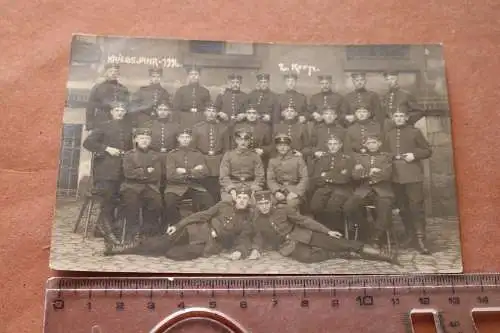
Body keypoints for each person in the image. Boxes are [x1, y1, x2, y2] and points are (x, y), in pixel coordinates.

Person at [104, 187, 254, 261]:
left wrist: (239, 252)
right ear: (235, 198)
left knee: (172, 254)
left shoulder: (248, 219)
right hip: (195, 230)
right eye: (239, 197)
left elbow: (244, 240)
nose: (241, 200)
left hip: (208, 244)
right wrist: (178, 225)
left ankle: (148, 246)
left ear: (249, 201)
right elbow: (201, 215)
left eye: (244, 198)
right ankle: (122, 248)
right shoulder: (223, 205)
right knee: (162, 243)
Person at [248, 190, 397, 264]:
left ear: (271, 202)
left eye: (266, 203)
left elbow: (305, 221)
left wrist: (328, 231)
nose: (264, 206)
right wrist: (255, 250)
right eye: (261, 204)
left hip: (304, 234)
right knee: (306, 258)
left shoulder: (283, 209)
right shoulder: (257, 219)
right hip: (288, 246)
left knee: (341, 243)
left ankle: (383, 255)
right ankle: (338, 255)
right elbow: (258, 236)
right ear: (257, 206)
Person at [82, 101, 134, 241]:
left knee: (126, 196)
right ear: (111, 112)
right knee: (108, 196)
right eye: (117, 109)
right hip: (104, 171)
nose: (120, 112)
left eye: (122, 110)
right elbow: (87, 143)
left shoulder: (128, 129)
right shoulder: (103, 126)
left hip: (122, 171)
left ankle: (105, 226)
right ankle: (107, 228)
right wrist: (107, 149)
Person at [384, 109, 432, 254]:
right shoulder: (389, 134)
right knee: (403, 207)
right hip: (396, 176)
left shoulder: (415, 132)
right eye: (396, 116)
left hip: (413, 175)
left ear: (406, 118)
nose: (398, 118)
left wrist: (414, 154)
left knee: (416, 207)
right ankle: (410, 236)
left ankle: (420, 240)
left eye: (401, 116)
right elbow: (385, 153)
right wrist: (393, 156)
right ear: (393, 118)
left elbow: (428, 150)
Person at [344, 135, 394, 246]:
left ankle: (376, 236)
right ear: (365, 145)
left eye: (374, 142)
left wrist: (365, 172)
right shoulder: (360, 158)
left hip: (382, 190)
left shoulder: (386, 157)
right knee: (349, 206)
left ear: (379, 144)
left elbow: (387, 174)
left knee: (384, 208)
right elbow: (355, 175)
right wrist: (371, 172)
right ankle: (366, 230)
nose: (371, 145)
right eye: (369, 143)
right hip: (364, 190)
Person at [163, 129, 214, 228]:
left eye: (187, 137)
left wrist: (185, 171)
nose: (185, 139)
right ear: (178, 139)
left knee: (209, 201)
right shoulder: (172, 154)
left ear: (190, 139)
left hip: (194, 186)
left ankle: (205, 228)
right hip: (175, 187)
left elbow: (204, 173)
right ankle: (177, 228)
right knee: (170, 203)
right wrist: (194, 171)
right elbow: (171, 175)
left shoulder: (197, 154)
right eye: (182, 137)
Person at [120, 128, 163, 240]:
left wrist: (139, 171)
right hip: (131, 186)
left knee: (156, 202)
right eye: (142, 138)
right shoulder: (129, 155)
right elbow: (128, 173)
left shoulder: (155, 155)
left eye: (147, 138)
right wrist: (146, 171)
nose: (144, 141)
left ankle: (148, 233)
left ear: (150, 141)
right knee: (132, 203)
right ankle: (132, 234)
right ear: (136, 140)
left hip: (150, 186)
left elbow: (157, 174)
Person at [309, 135, 354, 232]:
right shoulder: (321, 159)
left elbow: (345, 178)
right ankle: (322, 231)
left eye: (335, 144)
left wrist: (326, 175)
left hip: (342, 189)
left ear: (340, 145)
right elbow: (316, 178)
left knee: (332, 207)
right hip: (325, 187)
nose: (332, 146)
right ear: (327, 145)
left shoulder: (347, 159)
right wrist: (335, 175)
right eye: (330, 144)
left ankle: (336, 232)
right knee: (315, 206)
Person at [192, 103, 231, 201]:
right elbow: (193, 148)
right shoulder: (197, 127)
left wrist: (223, 162)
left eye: (213, 111)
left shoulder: (224, 128)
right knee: (202, 191)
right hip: (202, 160)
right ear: (205, 112)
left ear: (217, 113)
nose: (211, 113)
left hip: (218, 161)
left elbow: (227, 148)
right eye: (208, 111)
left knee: (216, 190)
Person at [219, 128, 265, 202]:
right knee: (228, 201)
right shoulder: (228, 155)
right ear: (236, 140)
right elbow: (224, 176)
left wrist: (254, 188)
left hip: (250, 185)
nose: (243, 142)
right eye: (240, 139)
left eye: (246, 140)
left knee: (255, 201)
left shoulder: (255, 156)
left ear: (249, 141)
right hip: (233, 184)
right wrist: (231, 189)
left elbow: (260, 175)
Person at [267, 134, 308, 210]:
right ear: (276, 147)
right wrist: (276, 192)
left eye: (285, 145)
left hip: (294, 189)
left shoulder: (298, 159)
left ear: (289, 147)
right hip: (279, 188)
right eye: (280, 145)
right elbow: (270, 179)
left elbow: (304, 178)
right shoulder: (272, 161)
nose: (282, 148)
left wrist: (296, 193)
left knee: (291, 204)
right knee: (269, 203)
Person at [85, 63, 130, 130]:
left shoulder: (123, 89)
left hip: (118, 120)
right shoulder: (98, 87)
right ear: (106, 73)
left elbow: (127, 106)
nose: (113, 73)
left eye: (116, 72)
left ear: (118, 74)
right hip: (102, 119)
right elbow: (90, 107)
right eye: (110, 71)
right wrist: (90, 125)